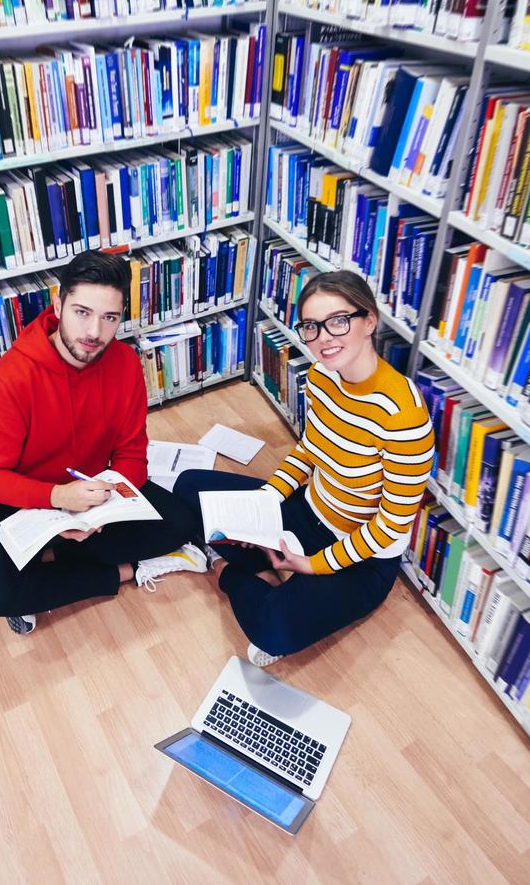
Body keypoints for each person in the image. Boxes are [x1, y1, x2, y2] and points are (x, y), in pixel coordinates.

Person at [175, 271, 434, 665]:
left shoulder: (404, 416)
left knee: (273, 631)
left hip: (362, 553)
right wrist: (262, 504)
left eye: (338, 321)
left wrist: (311, 566)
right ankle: (267, 570)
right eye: (311, 327)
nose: (324, 338)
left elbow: (389, 529)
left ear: (369, 321)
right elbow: (309, 451)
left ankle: (227, 566)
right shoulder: (320, 377)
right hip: (307, 511)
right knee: (187, 485)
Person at [0, 250, 209, 635]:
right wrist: (59, 500)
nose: (94, 332)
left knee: (181, 522)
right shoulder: (9, 378)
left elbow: (132, 455)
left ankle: (50, 567)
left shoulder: (127, 365)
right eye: (82, 312)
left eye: (109, 317)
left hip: (99, 493)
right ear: (58, 304)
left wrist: (100, 508)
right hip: (28, 497)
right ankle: (125, 571)